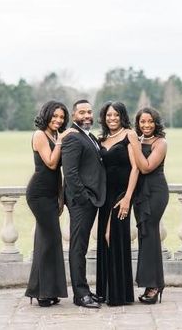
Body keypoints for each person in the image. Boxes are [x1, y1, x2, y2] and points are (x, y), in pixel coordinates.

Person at [25, 100, 76, 307]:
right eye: (55, 116)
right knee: (50, 239)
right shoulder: (40, 135)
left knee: (46, 241)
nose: (58, 120)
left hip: (51, 194)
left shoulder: (55, 136)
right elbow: (52, 162)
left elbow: (59, 173)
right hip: (38, 194)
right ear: (46, 115)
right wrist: (62, 140)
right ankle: (42, 292)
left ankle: (44, 290)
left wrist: (60, 197)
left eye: (62, 117)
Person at [62, 99, 106, 309]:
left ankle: (86, 290)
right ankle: (80, 294)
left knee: (83, 246)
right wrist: (84, 198)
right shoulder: (72, 138)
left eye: (89, 111)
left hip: (91, 200)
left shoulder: (88, 136)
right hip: (81, 202)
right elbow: (70, 173)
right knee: (78, 247)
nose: (87, 115)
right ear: (74, 115)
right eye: (82, 112)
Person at [96, 101, 139, 306]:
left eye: (116, 115)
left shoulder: (129, 135)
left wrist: (127, 198)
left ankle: (120, 294)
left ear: (122, 116)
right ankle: (106, 292)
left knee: (111, 236)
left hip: (122, 194)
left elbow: (136, 168)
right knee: (104, 240)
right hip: (105, 195)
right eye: (108, 115)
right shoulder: (101, 138)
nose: (112, 118)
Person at [127, 106, 169, 304]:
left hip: (155, 192)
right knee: (144, 235)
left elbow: (145, 167)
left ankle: (154, 284)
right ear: (138, 123)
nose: (146, 125)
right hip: (139, 194)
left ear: (156, 123)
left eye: (150, 121)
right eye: (142, 122)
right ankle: (149, 282)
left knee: (151, 234)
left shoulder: (161, 143)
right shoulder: (139, 140)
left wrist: (133, 142)